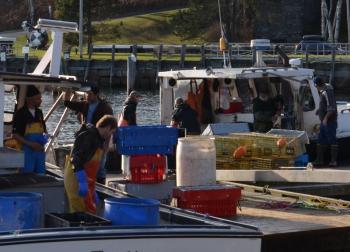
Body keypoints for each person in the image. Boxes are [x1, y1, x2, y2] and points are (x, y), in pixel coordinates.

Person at [64, 115, 118, 214]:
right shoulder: (89, 136)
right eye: (112, 132)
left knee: (89, 209)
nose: (111, 135)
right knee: (79, 210)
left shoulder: (99, 139)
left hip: (86, 180)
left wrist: (92, 189)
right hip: (76, 178)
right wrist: (82, 181)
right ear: (107, 128)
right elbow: (76, 159)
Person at [64, 83, 113, 184]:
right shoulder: (84, 104)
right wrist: (67, 90)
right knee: (85, 162)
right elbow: (67, 103)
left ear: (96, 94)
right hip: (86, 139)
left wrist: (106, 145)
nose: (87, 96)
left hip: (99, 140)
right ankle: (86, 181)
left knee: (100, 166)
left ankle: (101, 186)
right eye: (86, 94)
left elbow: (110, 128)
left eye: (90, 94)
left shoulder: (105, 108)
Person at [12, 85, 47, 174]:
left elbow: (43, 131)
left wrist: (44, 140)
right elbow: (15, 135)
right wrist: (31, 144)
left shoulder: (39, 113)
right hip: (27, 152)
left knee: (41, 174)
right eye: (37, 99)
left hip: (39, 151)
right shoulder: (21, 113)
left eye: (40, 98)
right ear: (29, 99)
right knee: (26, 175)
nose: (40, 100)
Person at [313, 77, 338, 167]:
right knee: (320, 140)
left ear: (317, 85)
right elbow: (325, 105)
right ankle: (319, 160)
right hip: (324, 122)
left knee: (332, 140)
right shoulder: (323, 92)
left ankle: (333, 161)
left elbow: (331, 108)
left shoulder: (327, 92)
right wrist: (319, 111)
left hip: (329, 122)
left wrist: (326, 119)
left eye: (315, 85)